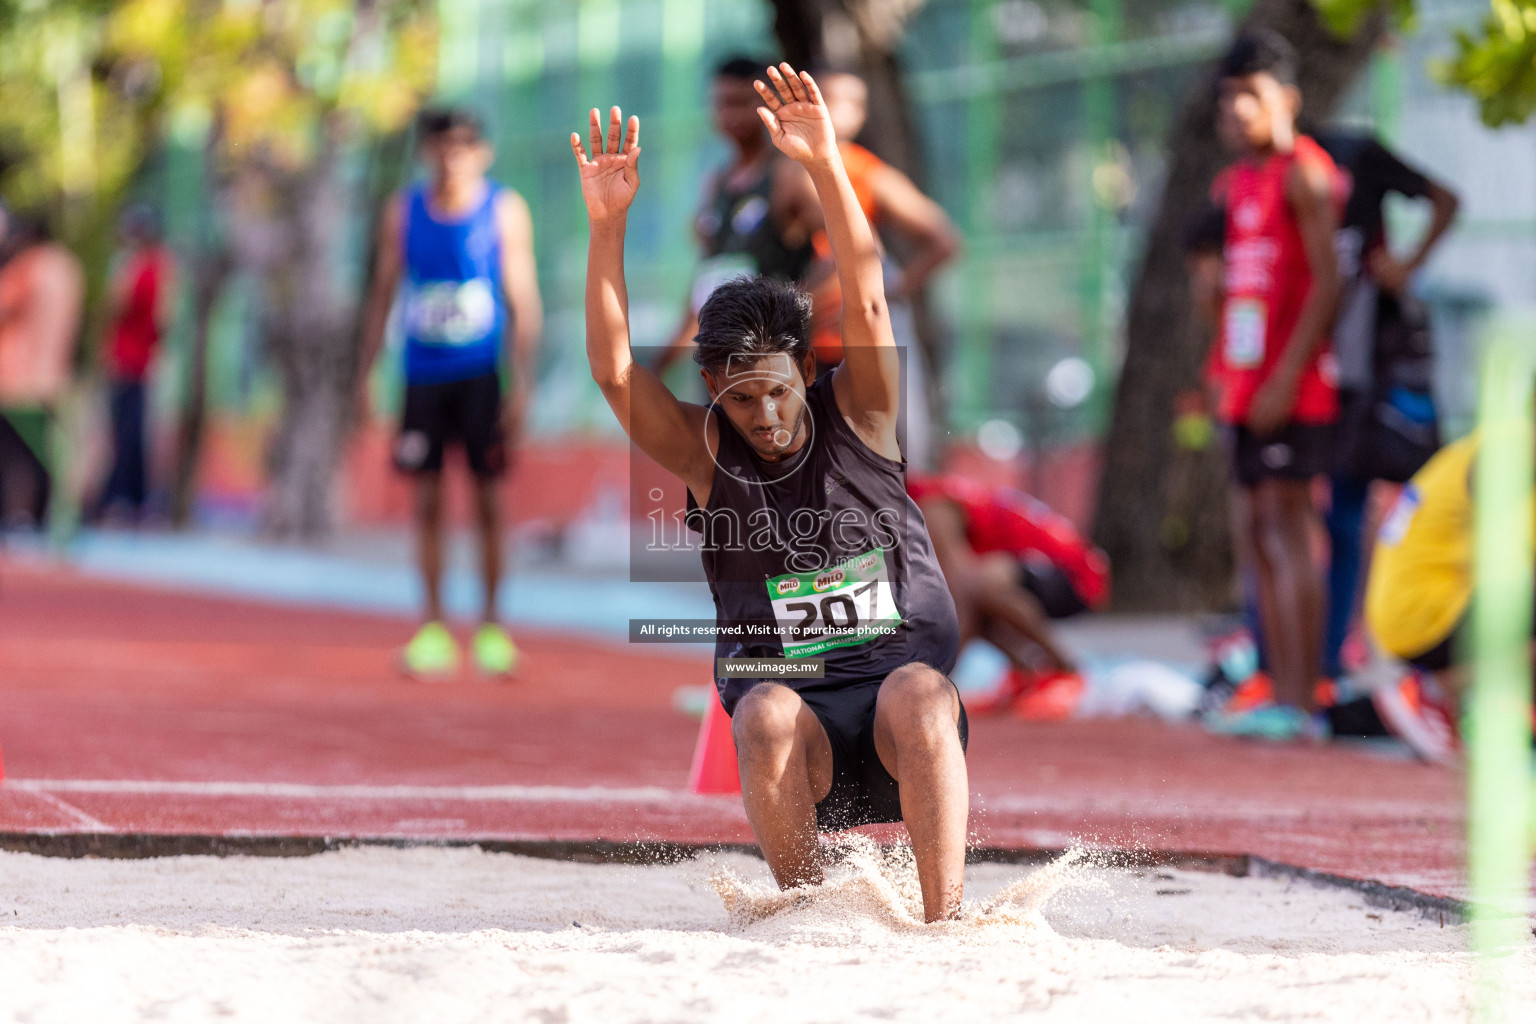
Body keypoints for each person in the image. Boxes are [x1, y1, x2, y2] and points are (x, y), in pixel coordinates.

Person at [573, 65, 967, 921]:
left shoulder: (860, 408)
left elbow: (864, 285)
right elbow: (613, 370)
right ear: (713, 386)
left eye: (780, 391)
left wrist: (826, 163)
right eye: (742, 399)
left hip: (899, 705)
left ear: (805, 366)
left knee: (922, 692)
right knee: (762, 713)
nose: (769, 417)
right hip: (800, 731)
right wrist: (609, 227)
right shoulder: (707, 448)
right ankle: (809, 919)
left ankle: (947, 926)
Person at [358, 108, 543, 680]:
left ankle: (491, 629)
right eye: (441, 144)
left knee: (489, 501)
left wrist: (523, 382)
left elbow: (523, 297)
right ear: (425, 151)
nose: (452, 155)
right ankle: (433, 628)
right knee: (428, 501)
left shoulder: (503, 209)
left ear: (482, 153)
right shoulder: (404, 212)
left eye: (464, 145)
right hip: (422, 376)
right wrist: (367, 373)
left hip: (481, 374)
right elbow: (383, 291)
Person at [1201, 31, 1343, 741]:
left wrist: (1286, 375)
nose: (1235, 109)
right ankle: (1276, 688)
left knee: (1290, 531)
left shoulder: (1304, 172)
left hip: (1294, 388)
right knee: (1257, 531)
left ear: (1287, 98)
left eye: (1249, 94)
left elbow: (1327, 279)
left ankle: (1303, 697)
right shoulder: (1237, 183)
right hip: (1244, 386)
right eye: (1228, 97)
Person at [1313, 131, 1459, 681]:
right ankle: (1336, 660)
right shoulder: (1267, 179)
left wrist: (1409, 263)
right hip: (1328, 376)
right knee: (1342, 517)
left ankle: (1412, 659)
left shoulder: (1355, 155)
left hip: (1382, 371)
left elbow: (1447, 198)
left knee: (1418, 502)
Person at [804, 69, 960, 470]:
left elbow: (944, 240)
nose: (839, 111)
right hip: (807, 343)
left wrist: (891, 290)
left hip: (862, 339)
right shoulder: (786, 172)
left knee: (896, 455)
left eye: (851, 102)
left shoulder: (868, 173)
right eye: (829, 98)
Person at [1361, 434, 1527, 764]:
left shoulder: (1493, 440)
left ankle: (1469, 704)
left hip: (1409, 610)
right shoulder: (1509, 454)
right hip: (1424, 615)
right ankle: (1435, 690)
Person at [654, 56, 822, 376]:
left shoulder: (788, 175)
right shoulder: (716, 183)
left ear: (769, 106)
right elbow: (707, 279)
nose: (728, 115)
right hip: (724, 358)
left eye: (741, 103)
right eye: (720, 104)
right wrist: (664, 359)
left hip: (775, 362)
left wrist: (787, 316)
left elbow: (846, 254)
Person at [908, 471, 1108, 718]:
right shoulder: (900, 502)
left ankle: (1066, 670)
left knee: (975, 586)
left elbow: (960, 596)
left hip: (1076, 574)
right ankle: (1027, 672)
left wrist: (935, 681)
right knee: (967, 593)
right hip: (1035, 568)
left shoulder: (931, 504)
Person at [0, 213, 84, 531]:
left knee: (14, 454)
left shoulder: (28, 267)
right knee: (47, 453)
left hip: (18, 379)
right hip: (54, 376)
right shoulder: (67, 267)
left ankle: (18, 514)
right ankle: (46, 516)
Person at [94, 205, 177, 524]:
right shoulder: (155, 266)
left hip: (134, 360)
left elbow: (122, 305)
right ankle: (131, 498)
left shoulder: (144, 266)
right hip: (133, 358)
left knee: (129, 430)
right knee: (129, 429)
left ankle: (124, 498)